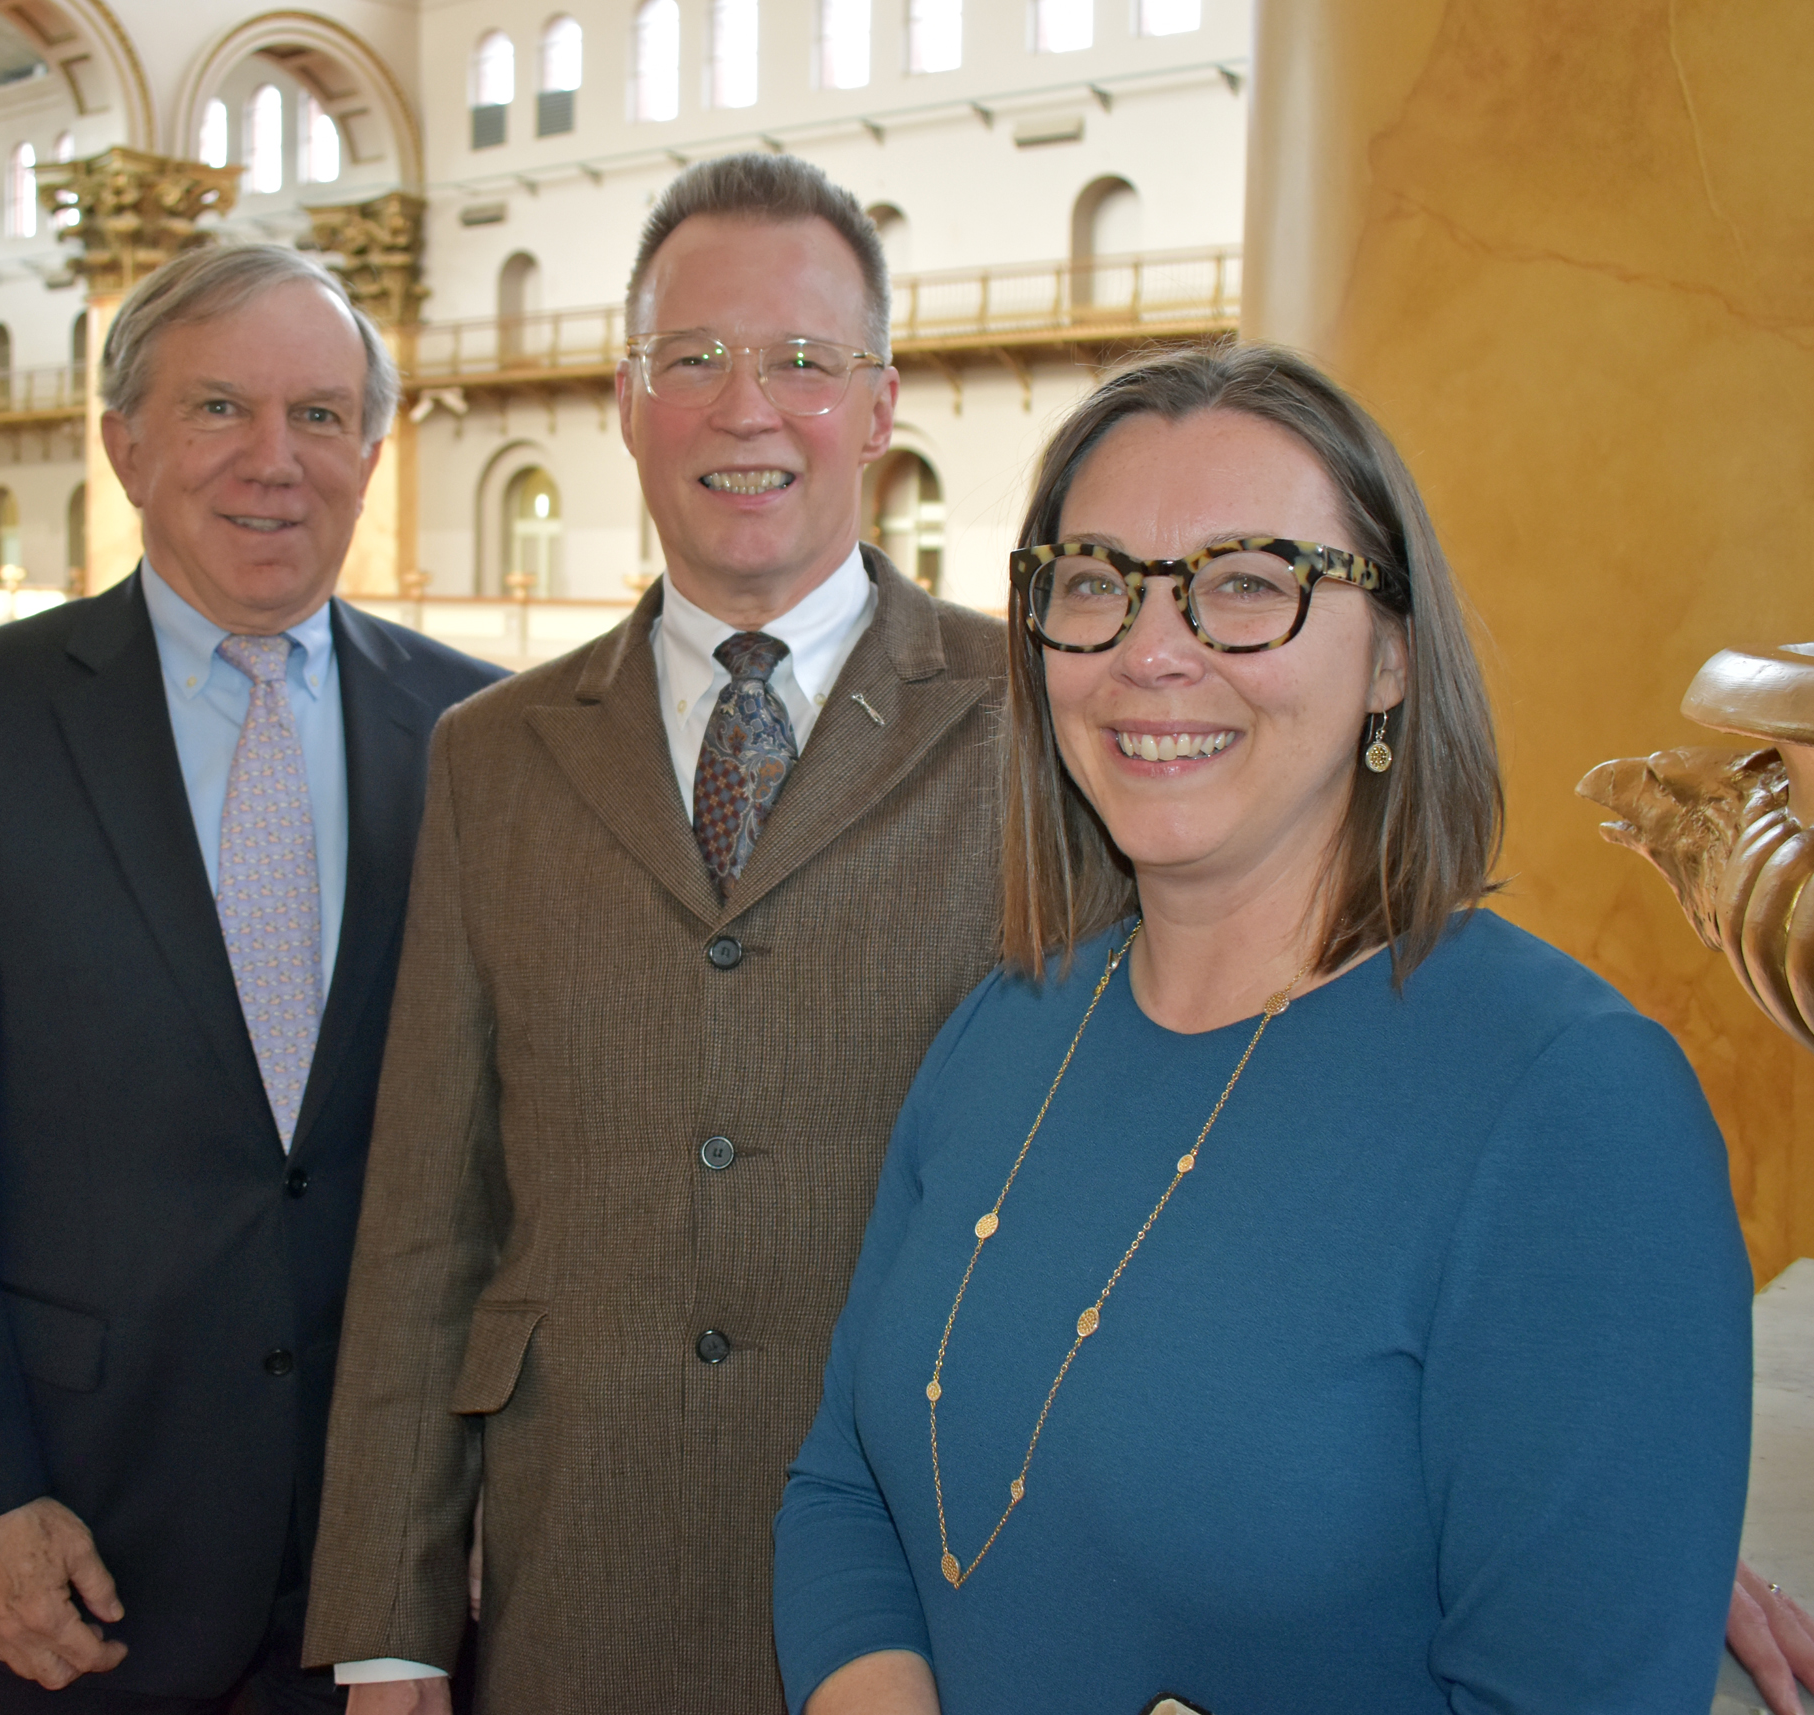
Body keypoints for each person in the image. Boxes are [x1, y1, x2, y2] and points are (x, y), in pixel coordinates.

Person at [773, 343, 1754, 1713]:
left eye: (1248, 584)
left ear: (1393, 660)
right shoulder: (1009, 1025)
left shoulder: (1574, 1105)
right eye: (1097, 584)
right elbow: (846, 1495)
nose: (1151, 651)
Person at [301, 154, 1007, 1712]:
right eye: (692, 358)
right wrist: (392, 1625)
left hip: (929, 1583)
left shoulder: (1033, 725)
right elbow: (430, 1213)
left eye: (804, 361)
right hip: (574, 1572)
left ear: (881, 407)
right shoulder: (492, 757)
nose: (746, 409)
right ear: (628, 400)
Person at [0, 242, 503, 1711]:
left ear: (373, 451)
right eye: (221, 409)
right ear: (126, 443)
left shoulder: (479, 733)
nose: (276, 462)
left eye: (321, 416)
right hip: (80, 1549)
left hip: (386, 1565)